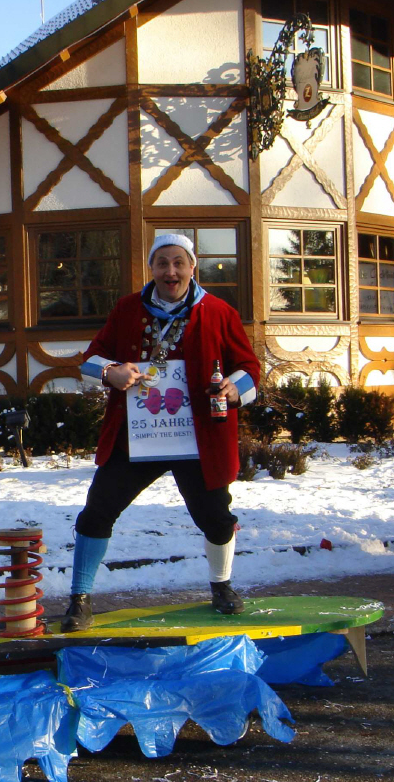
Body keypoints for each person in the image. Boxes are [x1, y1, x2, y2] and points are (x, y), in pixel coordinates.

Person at [62, 233, 261, 632]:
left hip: (198, 439)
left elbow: (250, 367)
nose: (171, 271)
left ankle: (221, 586)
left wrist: (233, 388)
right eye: (162, 263)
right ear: (151, 268)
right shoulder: (127, 309)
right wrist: (110, 372)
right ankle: (79, 598)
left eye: (179, 263)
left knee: (217, 517)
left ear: (192, 268)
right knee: (98, 510)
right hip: (138, 435)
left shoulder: (219, 311)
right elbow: (90, 359)